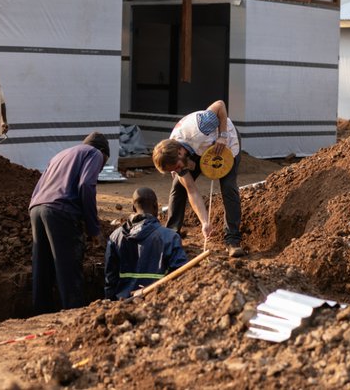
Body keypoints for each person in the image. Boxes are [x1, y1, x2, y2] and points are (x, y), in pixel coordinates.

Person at [29, 132, 110, 313]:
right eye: (103, 165)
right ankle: (74, 315)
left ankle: (39, 314)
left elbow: (39, 186)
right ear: (103, 152)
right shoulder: (94, 153)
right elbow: (86, 185)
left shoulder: (60, 155)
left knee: (42, 267)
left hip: (36, 208)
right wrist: (94, 229)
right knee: (69, 268)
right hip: (61, 211)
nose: (101, 168)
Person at [152, 100, 245, 258]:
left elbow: (220, 105)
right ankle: (171, 235)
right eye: (173, 169)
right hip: (199, 148)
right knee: (178, 188)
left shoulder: (201, 127)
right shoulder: (173, 155)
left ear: (180, 153)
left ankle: (233, 240)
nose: (177, 170)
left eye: (177, 167)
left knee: (228, 187)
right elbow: (192, 190)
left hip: (225, 143)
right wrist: (204, 222)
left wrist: (222, 136)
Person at [104, 187, 188, 301]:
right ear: (156, 206)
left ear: (133, 208)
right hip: (157, 304)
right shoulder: (170, 237)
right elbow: (182, 275)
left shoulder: (115, 237)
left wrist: (110, 305)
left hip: (122, 305)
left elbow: (110, 278)